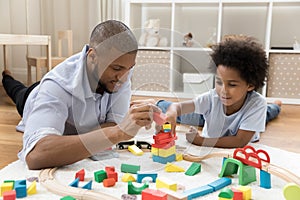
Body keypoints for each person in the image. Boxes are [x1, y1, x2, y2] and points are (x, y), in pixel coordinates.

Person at [2, 20, 160, 170]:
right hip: (32, 97)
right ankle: (6, 76)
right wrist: (117, 133)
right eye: (116, 68)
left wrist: (115, 128)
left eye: (129, 68)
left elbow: (112, 123)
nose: (124, 78)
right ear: (92, 56)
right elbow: (37, 154)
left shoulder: (121, 73)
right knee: (16, 90)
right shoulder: (56, 86)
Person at [159, 35, 281, 148]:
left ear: (250, 85)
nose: (224, 91)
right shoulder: (211, 98)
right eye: (219, 82)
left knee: (268, 113)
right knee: (184, 114)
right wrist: (172, 113)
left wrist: (201, 140)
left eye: (232, 84)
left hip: (249, 120)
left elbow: (240, 141)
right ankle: (158, 103)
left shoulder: (257, 104)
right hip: (214, 118)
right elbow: (176, 106)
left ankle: (276, 105)